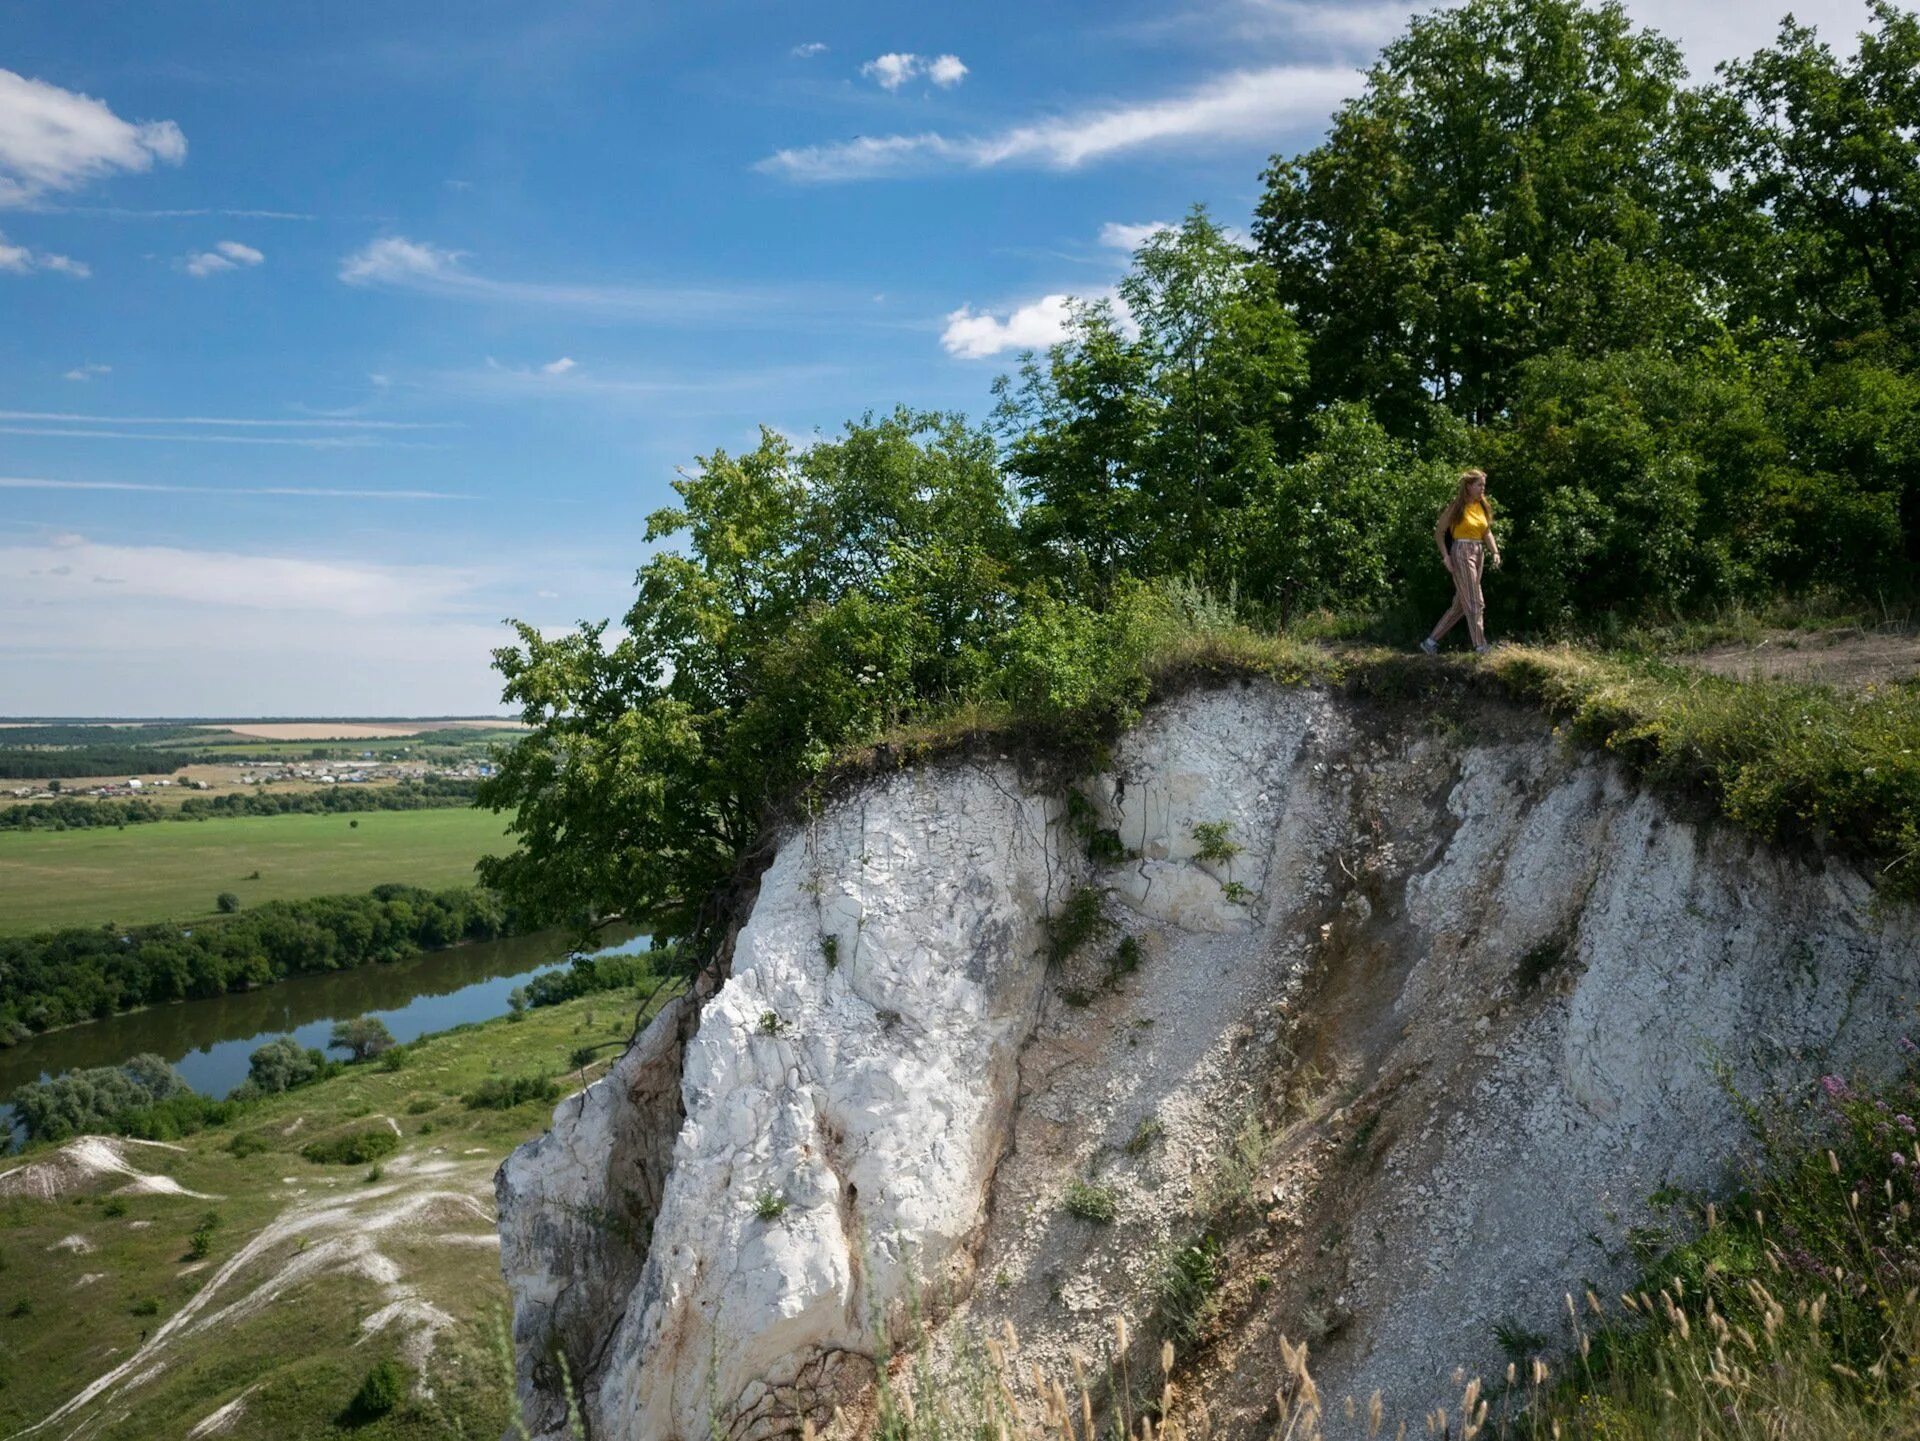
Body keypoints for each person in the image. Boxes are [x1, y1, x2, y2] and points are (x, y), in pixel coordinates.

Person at [1420, 468, 1501, 655]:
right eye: (1479, 485)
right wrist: (1446, 557)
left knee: (1460, 605)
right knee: (1475, 601)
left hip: (1478, 551)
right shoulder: (1457, 507)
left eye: (1484, 485)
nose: (1482, 489)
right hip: (1462, 552)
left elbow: (1486, 532)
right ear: (1469, 486)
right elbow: (1439, 533)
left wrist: (1495, 552)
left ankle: (1430, 642)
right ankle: (1481, 646)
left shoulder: (1482, 506)